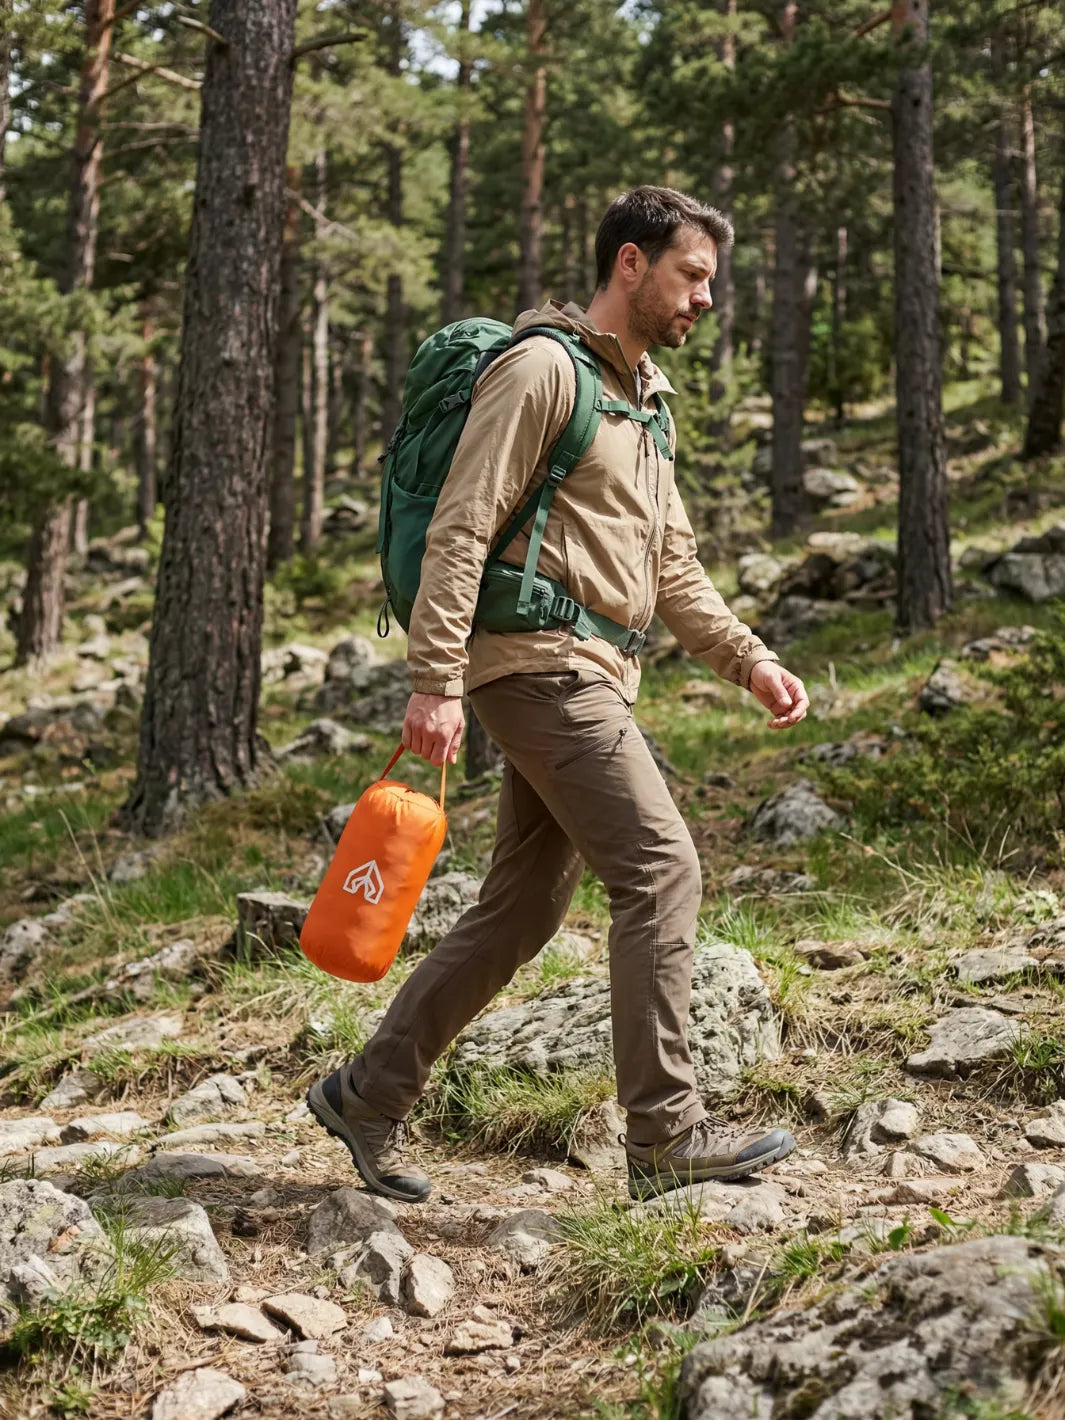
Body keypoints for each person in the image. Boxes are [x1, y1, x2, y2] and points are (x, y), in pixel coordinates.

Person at [308, 185, 810, 1203]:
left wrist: (749, 658)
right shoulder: (543, 370)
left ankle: (368, 1093)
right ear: (631, 263)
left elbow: (676, 573)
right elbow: (463, 524)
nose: (706, 298)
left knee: (525, 905)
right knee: (661, 868)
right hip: (532, 663)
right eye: (692, 274)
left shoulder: (648, 403)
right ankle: (665, 1134)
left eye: (711, 280)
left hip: (593, 671)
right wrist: (435, 680)